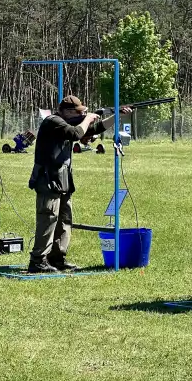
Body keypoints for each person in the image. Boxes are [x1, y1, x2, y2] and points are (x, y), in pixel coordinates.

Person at [25, 96, 129, 273]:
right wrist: (88, 118)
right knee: (48, 219)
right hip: (48, 179)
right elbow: (75, 134)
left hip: (62, 179)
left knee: (64, 220)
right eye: (78, 112)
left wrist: (117, 115)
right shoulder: (53, 121)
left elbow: (96, 128)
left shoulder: (67, 122)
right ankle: (38, 261)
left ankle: (57, 258)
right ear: (66, 111)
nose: (81, 115)